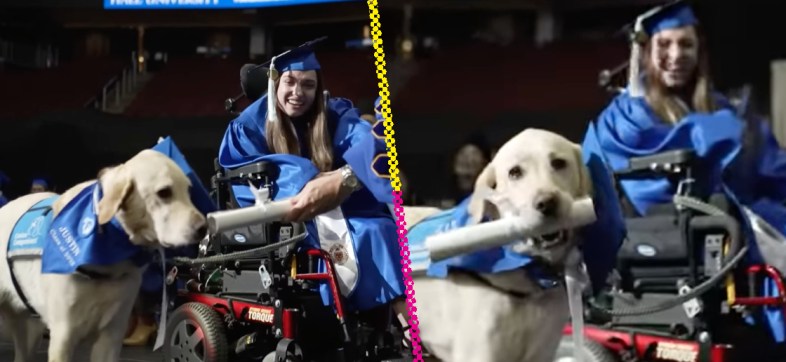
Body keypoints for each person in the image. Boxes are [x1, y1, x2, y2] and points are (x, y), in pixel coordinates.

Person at [583, 0, 786, 345]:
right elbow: (634, 177)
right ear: (646, 53)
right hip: (680, 232)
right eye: (664, 44)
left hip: (743, 219)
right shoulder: (629, 115)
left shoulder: (722, 107)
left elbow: (768, 168)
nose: (676, 55)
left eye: (686, 44)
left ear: (699, 51)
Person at [218, 39, 410, 343]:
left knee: (383, 224)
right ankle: (406, 324)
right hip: (286, 220)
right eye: (290, 82)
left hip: (331, 211)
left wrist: (372, 146)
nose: (298, 93)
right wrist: (326, 178)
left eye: (307, 84)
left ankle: (395, 322)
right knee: (372, 232)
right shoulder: (248, 126)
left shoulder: (331, 112)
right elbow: (274, 183)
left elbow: (359, 138)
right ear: (275, 83)